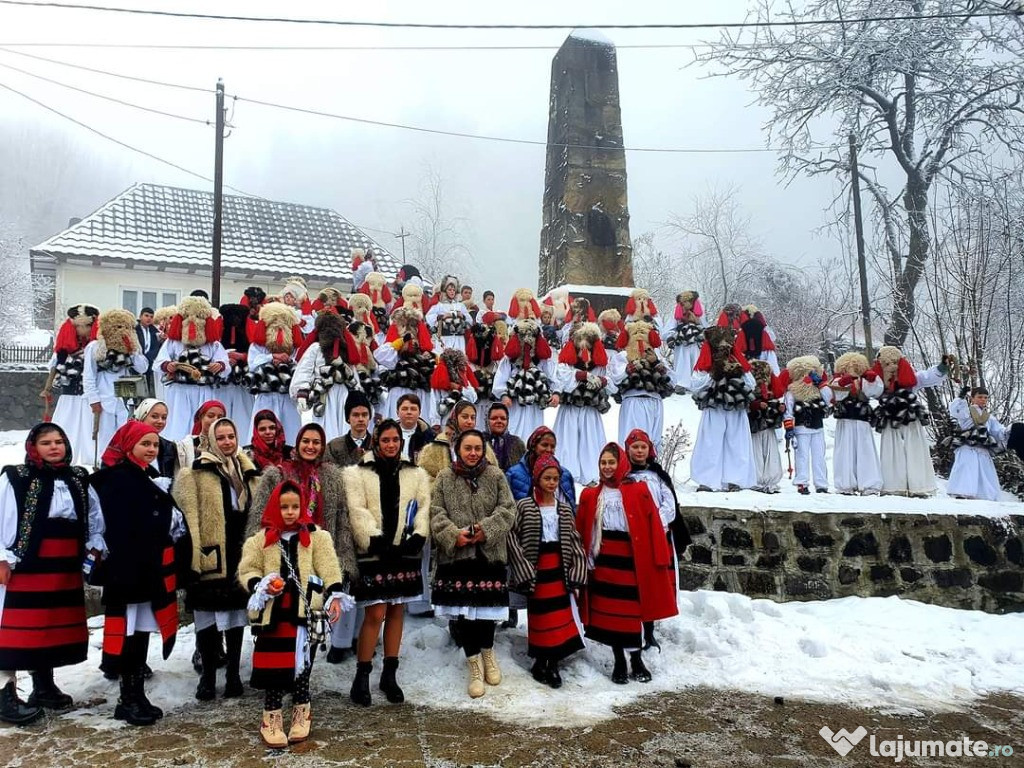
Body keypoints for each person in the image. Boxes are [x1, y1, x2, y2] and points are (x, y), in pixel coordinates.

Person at [0, 424, 104, 725]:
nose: (54, 447)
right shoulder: (15, 478)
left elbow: (93, 517)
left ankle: (43, 687)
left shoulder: (78, 478)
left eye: (59, 441)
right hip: (25, 566)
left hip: (62, 567)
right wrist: (2, 558)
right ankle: (5, 696)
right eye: (46, 442)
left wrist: (94, 545)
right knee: (13, 632)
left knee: (48, 630)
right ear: (33, 446)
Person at [91, 421, 188, 726]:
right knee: (129, 634)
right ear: (129, 445)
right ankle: (127, 699)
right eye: (145, 444)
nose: (151, 449)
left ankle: (136, 694)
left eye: (155, 445)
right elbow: (120, 526)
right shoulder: (116, 479)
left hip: (145, 569)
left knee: (141, 631)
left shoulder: (146, 476)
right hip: (127, 571)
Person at [239, 480, 349, 748]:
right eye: (284, 507)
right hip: (273, 614)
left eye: (295, 507)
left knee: (303, 665)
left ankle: (302, 709)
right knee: (272, 667)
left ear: (303, 508)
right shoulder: (261, 539)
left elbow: (329, 567)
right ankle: (271, 715)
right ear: (275, 507)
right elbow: (247, 569)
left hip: (303, 613)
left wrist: (334, 595)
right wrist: (261, 584)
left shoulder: (316, 536)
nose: (289, 512)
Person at [248, 423, 356, 664]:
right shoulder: (277, 474)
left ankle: (303, 677)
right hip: (285, 556)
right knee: (283, 618)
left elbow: (342, 520)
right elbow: (259, 518)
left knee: (313, 618)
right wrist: (260, 556)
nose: (311, 446)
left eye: (316, 442)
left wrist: (343, 560)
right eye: (306, 441)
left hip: (318, 557)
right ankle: (282, 672)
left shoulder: (332, 476)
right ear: (297, 443)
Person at [344, 420, 432, 707]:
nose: (391, 445)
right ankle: (362, 676)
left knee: (397, 610)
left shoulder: (415, 473)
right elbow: (357, 510)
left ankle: (389, 674)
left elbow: (423, 505)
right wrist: (375, 539)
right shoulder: (358, 473)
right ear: (376, 442)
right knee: (375, 613)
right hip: (376, 551)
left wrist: (418, 536)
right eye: (386, 440)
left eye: (395, 440)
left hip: (404, 551)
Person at [575, 444, 677, 685]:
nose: (607, 467)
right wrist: (587, 557)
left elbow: (652, 525)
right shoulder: (591, 495)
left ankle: (637, 658)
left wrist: (657, 557)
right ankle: (619, 659)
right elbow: (584, 528)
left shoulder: (638, 490)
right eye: (603, 463)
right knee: (610, 615)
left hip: (630, 559)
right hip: (604, 559)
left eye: (612, 462)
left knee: (632, 612)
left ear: (621, 462)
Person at [174, 418, 260, 700]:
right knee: (207, 619)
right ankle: (208, 676)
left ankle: (233, 674)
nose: (227, 442)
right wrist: (193, 559)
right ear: (210, 440)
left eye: (231, 436)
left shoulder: (247, 471)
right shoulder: (196, 473)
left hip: (238, 552)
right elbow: (189, 519)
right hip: (210, 553)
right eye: (220, 437)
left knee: (236, 616)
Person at [430, 430, 516, 699]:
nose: (473, 453)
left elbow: (508, 509)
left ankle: (489, 655)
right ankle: (474, 665)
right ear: (458, 449)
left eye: (477, 448)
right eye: (468, 448)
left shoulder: (495, 475)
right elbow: (436, 512)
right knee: (466, 614)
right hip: (458, 555)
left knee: (486, 611)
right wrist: (454, 534)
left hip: (489, 554)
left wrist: (486, 530)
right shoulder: (445, 477)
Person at [507, 454, 586, 689]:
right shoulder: (524, 506)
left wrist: (576, 570)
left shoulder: (563, 509)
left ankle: (552, 663)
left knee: (560, 616)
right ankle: (541, 660)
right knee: (541, 616)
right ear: (537, 479)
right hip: (536, 570)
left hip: (558, 569)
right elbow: (512, 536)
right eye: (547, 478)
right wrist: (522, 567)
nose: (551, 482)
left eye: (555, 478)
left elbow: (574, 539)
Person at [624, 429, 688, 651]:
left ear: (649, 449)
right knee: (634, 584)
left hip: (657, 536)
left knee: (653, 585)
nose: (639, 451)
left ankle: (649, 631)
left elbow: (669, 504)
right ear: (628, 449)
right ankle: (632, 628)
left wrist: (654, 524)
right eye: (635, 447)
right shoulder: (623, 476)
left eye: (643, 447)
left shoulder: (658, 474)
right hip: (633, 537)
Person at [871, 346, 950, 497]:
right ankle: (893, 486)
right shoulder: (878, 382)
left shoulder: (911, 379)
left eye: (894, 362)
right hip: (889, 416)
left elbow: (928, 376)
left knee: (915, 448)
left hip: (910, 415)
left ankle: (919, 486)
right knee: (891, 449)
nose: (891, 367)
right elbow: (868, 389)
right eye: (887, 363)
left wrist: (942, 367)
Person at [553, 321, 624, 485]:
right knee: (567, 440)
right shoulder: (568, 363)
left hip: (590, 409)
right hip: (570, 407)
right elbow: (561, 378)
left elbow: (612, 384)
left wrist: (602, 381)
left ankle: (591, 473)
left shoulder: (600, 365)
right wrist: (581, 376)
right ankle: (566, 472)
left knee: (590, 440)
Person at [689, 327, 757, 491]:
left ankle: (735, 479)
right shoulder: (706, 362)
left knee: (736, 442)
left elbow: (751, 383)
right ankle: (707, 480)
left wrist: (736, 372)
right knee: (711, 442)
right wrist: (715, 372)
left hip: (736, 407)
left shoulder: (737, 361)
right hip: (714, 406)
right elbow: (696, 385)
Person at [154, 297, 229, 441]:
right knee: (178, 425)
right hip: (179, 391)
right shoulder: (173, 342)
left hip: (204, 390)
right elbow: (158, 363)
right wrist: (167, 365)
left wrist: (219, 365)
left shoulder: (213, 344)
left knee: (204, 427)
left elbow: (225, 364)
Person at [83, 308, 149, 464]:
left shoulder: (131, 348)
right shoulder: (95, 347)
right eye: (118, 327)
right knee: (105, 437)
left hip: (125, 397)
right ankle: (103, 465)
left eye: (126, 327)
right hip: (104, 396)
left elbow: (143, 368)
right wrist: (93, 399)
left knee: (126, 434)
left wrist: (133, 351)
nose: (122, 331)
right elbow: (88, 374)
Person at [42, 303, 100, 467]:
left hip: (91, 395)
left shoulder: (96, 347)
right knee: (65, 425)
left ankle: (93, 459)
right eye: (80, 326)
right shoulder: (63, 349)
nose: (84, 329)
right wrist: (47, 388)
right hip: (69, 393)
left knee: (92, 429)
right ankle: (62, 457)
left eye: (88, 325)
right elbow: (54, 366)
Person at [291, 311, 357, 442]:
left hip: (343, 396)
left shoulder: (345, 351)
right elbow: (304, 370)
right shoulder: (315, 348)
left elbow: (353, 376)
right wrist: (302, 391)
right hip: (322, 395)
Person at [492, 313, 558, 442]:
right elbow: (500, 379)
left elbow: (553, 377)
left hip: (534, 406)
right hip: (514, 404)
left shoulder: (542, 360)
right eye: (523, 336)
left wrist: (555, 394)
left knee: (534, 433)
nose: (527, 340)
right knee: (513, 431)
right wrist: (504, 395)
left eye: (532, 336)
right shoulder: (509, 360)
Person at [614, 318, 674, 451]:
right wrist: (631, 368)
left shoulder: (656, 355)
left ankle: (652, 468)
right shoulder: (624, 356)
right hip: (633, 401)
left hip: (655, 402)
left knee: (653, 440)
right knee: (632, 438)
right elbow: (616, 377)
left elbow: (673, 380)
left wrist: (656, 363)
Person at [247, 303, 303, 444]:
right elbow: (252, 364)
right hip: (265, 396)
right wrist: (271, 358)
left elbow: (301, 364)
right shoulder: (258, 346)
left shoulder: (294, 348)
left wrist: (288, 360)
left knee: (290, 432)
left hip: (287, 398)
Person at [830, 352, 883, 496]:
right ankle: (845, 484)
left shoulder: (865, 379)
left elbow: (876, 391)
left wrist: (871, 379)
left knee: (865, 449)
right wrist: (844, 381)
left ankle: (869, 484)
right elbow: (836, 394)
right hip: (845, 417)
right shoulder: (838, 379)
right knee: (845, 449)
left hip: (861, 417)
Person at [782, 355, 834, 495]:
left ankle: (821, 484)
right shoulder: (792, 391)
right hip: (801, 428)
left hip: (817, 427)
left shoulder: (818, 389)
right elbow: (788, 409)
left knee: (819, 456)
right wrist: (789, 428)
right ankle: (802, 483)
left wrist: (821, 384)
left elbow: (829, 399)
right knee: (802, 456)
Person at [947, 386, 1009, 501]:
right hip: (967, 444)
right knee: (966, 468)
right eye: (980, 397)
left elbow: (999, 431)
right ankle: (962, 492)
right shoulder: (966, 411)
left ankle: (984, 495)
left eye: (985, 397)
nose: (983, 400)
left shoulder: (989, 417)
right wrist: (960, 398)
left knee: (984, 471)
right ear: (972, 398)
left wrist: (1010, 430)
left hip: (982, 446)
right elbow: (955, 411)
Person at [375, 307, 437, 421]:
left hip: (420, 391)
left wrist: (430, 356)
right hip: (399, 390)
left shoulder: (425, 349)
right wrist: (401, 341)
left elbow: (434, 362)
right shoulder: (393, 347)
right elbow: (381, 357)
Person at [417, 401, 498, 486]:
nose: (469, 421)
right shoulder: (437, 446)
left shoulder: (483, 446)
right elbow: (424, 478)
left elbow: (495, 476)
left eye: (473, 418)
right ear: (454, 418)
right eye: (465, 417)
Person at [506, 426, 577, 511]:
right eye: (544, 445)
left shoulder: (564, 475)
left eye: (552, 446)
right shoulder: (514, 474)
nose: (549, 450)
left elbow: (570, 509)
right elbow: (508, 507)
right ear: (533, 445)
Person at [747, 361, 786, 494]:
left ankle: (770, 480)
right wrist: (756, 406)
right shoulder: (749, 388)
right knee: (756, 451)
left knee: (769, 451)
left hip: (767, 425)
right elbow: (746, 404)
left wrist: (779, 409)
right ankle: (756, 479)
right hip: (755, 425)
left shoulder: (769, 390)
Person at [666, 291, 705, 394]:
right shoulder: (677, 315)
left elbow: (704, 326)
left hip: (695, 342)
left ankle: (695, 383)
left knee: (696, 361)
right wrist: (670, 337)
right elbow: (670, 327)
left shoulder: (699, 315)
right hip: (681, 343)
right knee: (682, 362)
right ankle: (681, 383)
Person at [176, 400, 227, 472]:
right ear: (201, 418)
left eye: (220, 417)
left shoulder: (228, 445)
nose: (215, 420)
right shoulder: (186, 446)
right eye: (210, 416)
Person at [325, 391, 373, 467]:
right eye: (355, 415)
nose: (361, 419)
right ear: (348, 418)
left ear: (369, 417)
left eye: (364, 415)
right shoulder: (333, 447)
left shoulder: (378, 445)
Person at [132, 398, 178, 478]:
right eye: (154, 416)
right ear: (142, 416)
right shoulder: (127, 442)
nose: (160, 421)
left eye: (164, 418)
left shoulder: (168, 447)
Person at [427, 275, 474, 352]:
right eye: (449, 290)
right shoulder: (439, 305)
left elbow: (470, 321)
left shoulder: (460, 305)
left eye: (453, 290)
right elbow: (429, 318)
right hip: (445, 337)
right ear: (445, 291)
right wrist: (442, 317)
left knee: (459, 359)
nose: (452, 292)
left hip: (459, 338)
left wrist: (462, 316)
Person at [483, 402, 526, 472]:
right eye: (494, 418)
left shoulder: (517, 443)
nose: (499, 421)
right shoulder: (480, 442)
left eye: (503, 418)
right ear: (487, 420)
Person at [395, 393, 435, 464]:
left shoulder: (429, 436)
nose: (409, 412)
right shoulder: (387, 434)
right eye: (405, 409)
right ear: (397, 412)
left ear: (419, 412)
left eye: (413, 409)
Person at [135, 307, 161, 393]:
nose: (149, 318)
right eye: (146, 315)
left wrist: (148, 357)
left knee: (148, 390)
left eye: (151, 317)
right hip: (136, 363)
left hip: (149, 362)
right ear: (140, 316)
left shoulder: (155, 331)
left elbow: (157, 347)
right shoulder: (134, 330)